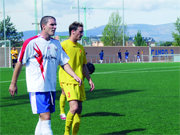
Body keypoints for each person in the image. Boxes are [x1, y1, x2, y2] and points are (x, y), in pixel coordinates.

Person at [9, 16, 82, 135]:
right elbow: (19, 62)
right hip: (37, 87)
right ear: (43, 26)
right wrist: (13, 83)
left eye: (55, 24)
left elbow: (64, 62)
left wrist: (74, 75)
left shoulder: (56, 44)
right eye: (52, 25)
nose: (55, 27)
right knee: (46, 117)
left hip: (51, 87)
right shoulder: (31, 42)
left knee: (43, 119)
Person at [59, 21, 95, 135]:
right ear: (73, 32)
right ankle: (66, 132)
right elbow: (61, 63)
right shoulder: (64, 45)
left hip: (79, 82)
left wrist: (89, 79)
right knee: (73, 108)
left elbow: (83, 65)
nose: (82, 34)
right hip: (68, 81)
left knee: (79, 110)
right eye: (80, 32)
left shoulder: (80, 47)